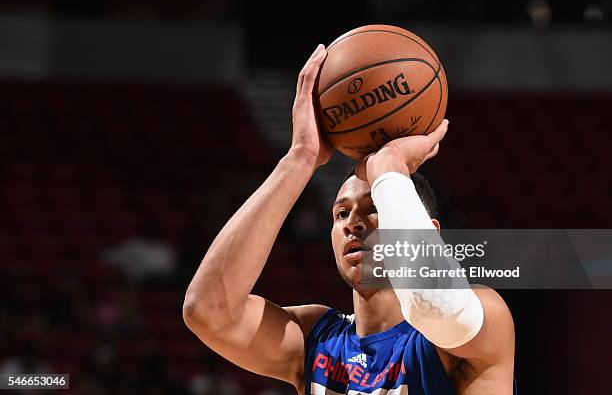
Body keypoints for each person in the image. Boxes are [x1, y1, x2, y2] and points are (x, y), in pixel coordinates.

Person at [182, 44, 515, 394]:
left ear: (429, 232)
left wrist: (390, 167)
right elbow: (207, 310)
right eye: (341, 212)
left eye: (374, 208)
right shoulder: (318, 340)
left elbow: (431, 304)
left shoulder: (483, 317)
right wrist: (300, 159)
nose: (352, 223)